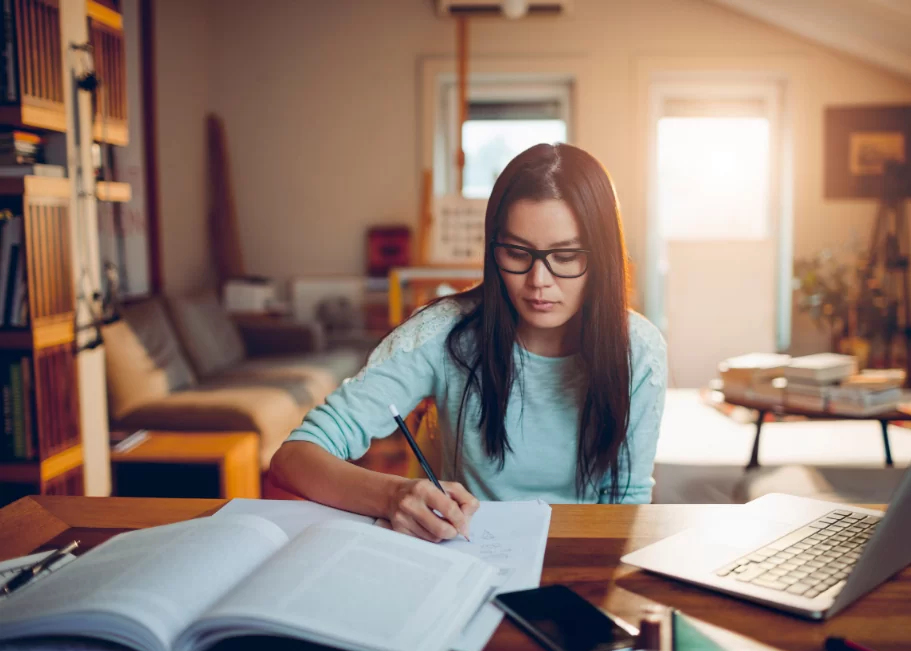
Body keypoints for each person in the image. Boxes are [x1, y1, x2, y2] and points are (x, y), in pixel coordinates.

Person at [268, 143, 667, 543]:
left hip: (584, 557)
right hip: (468, 555)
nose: (538, 281)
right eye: (516, 252)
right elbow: (294, 458)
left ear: (602, 257)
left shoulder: (639, 348)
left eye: (565, 256)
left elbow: (627, 503)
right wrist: (391, 495)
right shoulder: (444, 333)